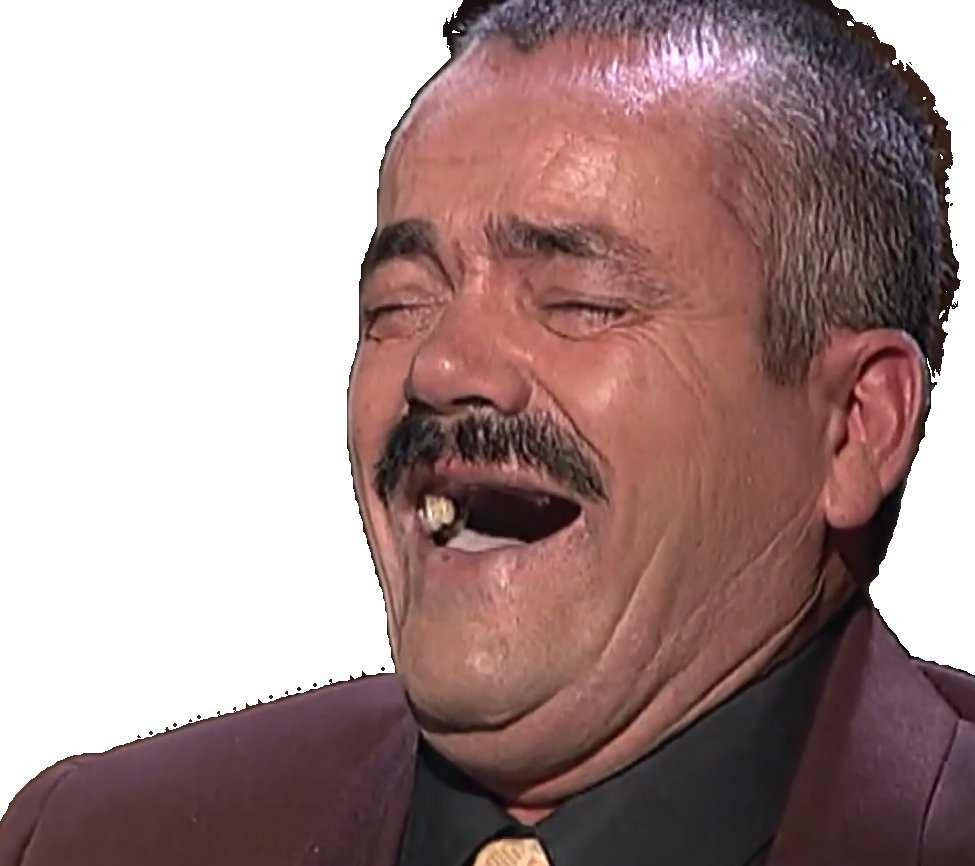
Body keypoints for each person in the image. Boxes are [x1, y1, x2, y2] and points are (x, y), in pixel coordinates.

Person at [1, 0, 970, 863]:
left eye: (579, 301)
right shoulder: (93, 839)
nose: (440, 366)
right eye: (400, 303)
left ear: (854, 427)